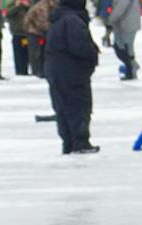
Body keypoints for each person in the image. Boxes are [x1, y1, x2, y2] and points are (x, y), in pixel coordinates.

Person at [44, 0, 99, 151]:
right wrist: (92, 56)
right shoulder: (72, 20)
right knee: (79, 107)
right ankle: (80, 142)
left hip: (56, 70)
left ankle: (68, 142)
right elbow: (80, 47)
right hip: (72, 71)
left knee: (63, 107)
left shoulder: (58, 19)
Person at [109, 0, 141, 79]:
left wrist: (110, 19)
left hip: (127, 24)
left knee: (123, 48)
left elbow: (120, 9)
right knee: (127, 48)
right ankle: (131, 68)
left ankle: (131, 68)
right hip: (127, 23)